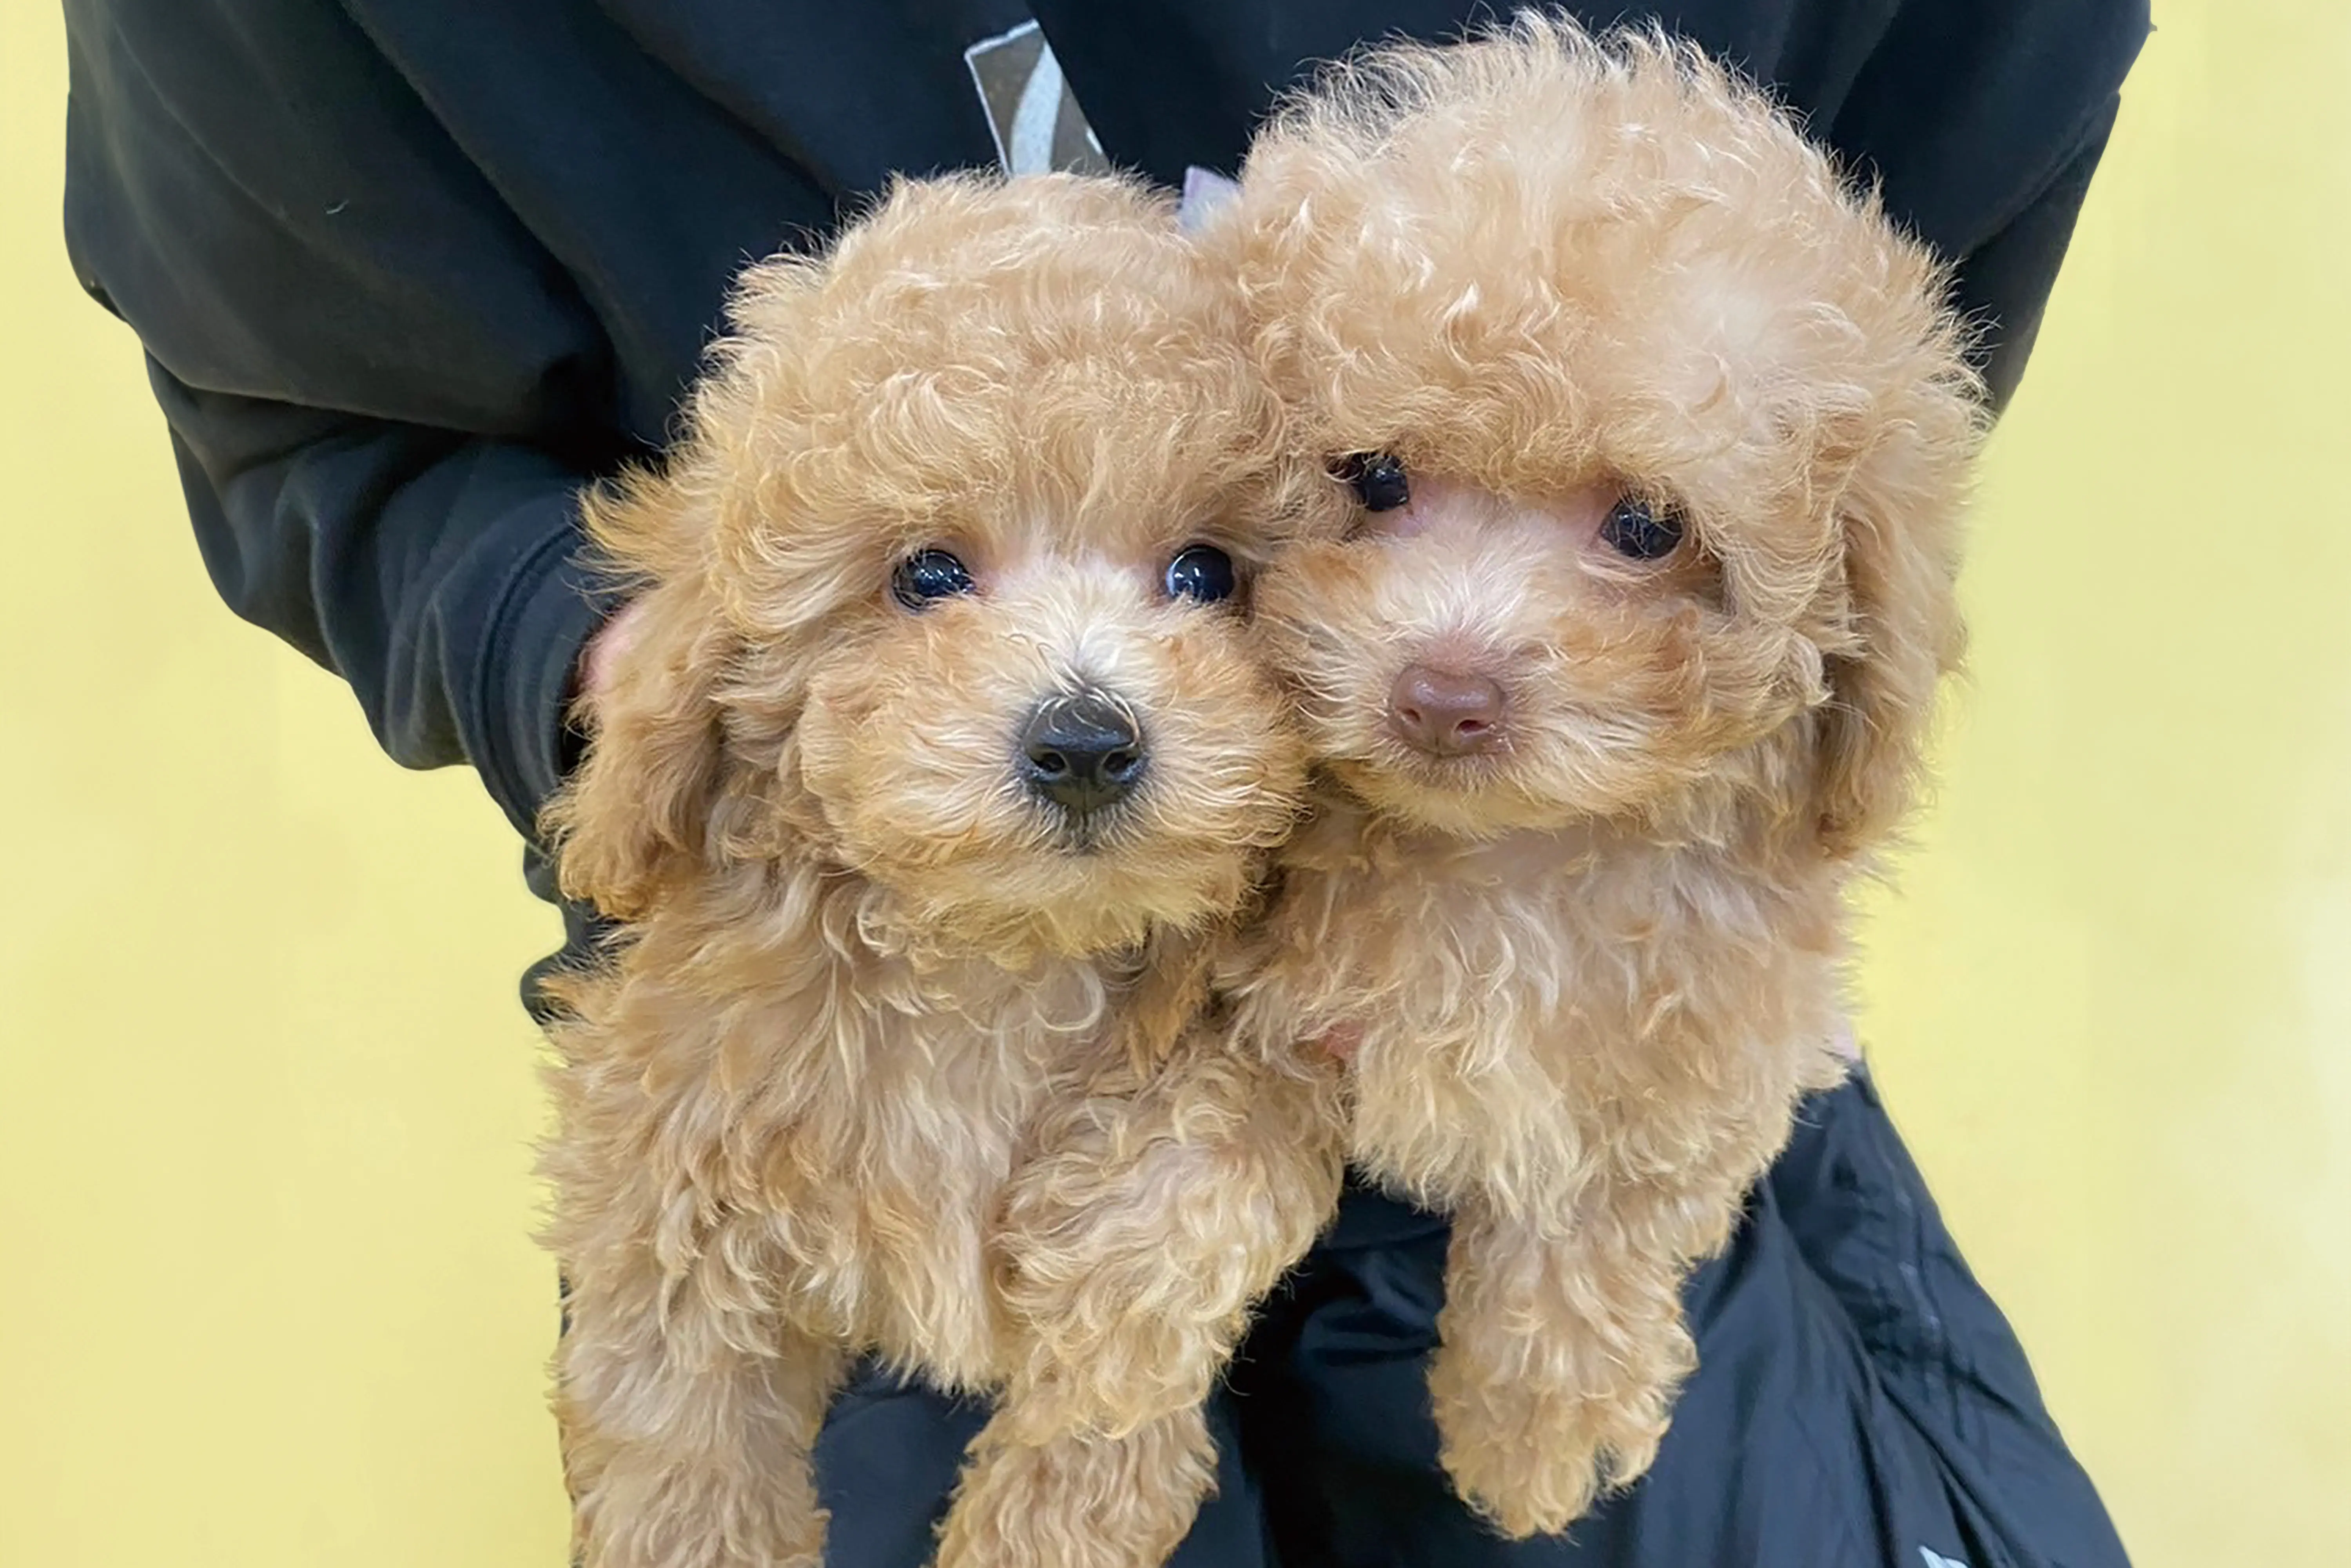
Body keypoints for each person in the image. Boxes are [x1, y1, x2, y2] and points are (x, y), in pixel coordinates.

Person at [59, 3, 2149, 1564]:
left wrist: (1707, 706)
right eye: (1381, 487)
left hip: (1582, 952)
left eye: (1193, 572)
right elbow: (319, 425)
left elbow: (1879, 397)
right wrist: (677, 683)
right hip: (843, 968)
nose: (1453, 637)